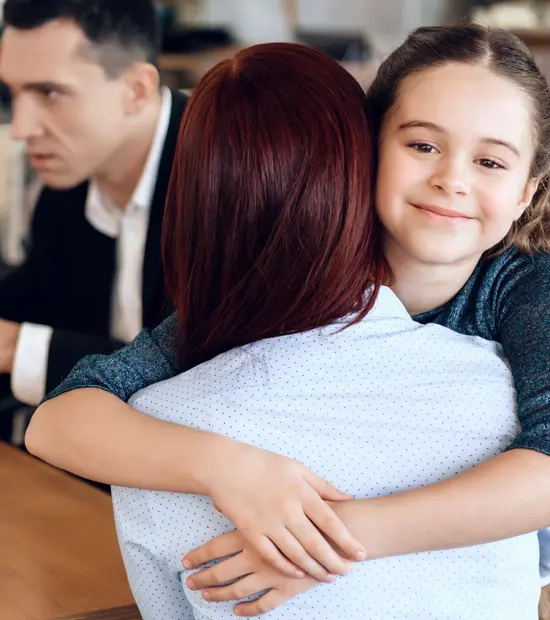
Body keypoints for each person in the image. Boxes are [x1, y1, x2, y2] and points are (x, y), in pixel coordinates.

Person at [25, 23, 550, 614]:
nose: (452, 179)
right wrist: (232, 470)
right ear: (367, 145)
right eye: (422, 145)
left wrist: (331, 543)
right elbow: (59, 421)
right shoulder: (301, 269)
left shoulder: (526, 286)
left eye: (490, 161)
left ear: (527, 193)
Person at [0, 0, 188, 432]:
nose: (21, 128)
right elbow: (33, 299)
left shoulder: (235, 184)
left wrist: (18, 349)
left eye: (49, 93)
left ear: (136, 89)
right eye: (13, 94)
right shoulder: (64, 190)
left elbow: (195, 381)